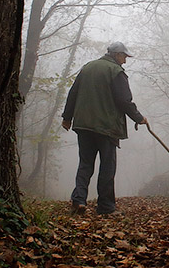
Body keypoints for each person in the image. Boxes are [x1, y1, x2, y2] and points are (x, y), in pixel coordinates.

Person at [62, 41, 147, 216]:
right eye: (124, 56)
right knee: (107, 167)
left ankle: (78, 201)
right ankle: (106, 208)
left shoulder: (88, 67)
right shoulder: (116, 72)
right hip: (106, 127)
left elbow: (73, 93)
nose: (125, 61)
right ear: (116, 54)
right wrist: (139, 118)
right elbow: (124, 101)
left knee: (85, 164)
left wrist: (67, 117)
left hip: (83, 125)